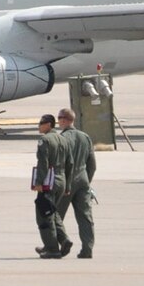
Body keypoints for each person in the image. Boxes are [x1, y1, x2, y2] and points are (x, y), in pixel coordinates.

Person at [46, 107, 97, 259]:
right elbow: (92, 165)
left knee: (55, 215)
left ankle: (55, 247)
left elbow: (56, 162)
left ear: (64, 120)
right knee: (85, 217)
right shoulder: (85, 137)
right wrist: (86, 181)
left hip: (66, 181)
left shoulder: (61, 139)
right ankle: (87, 250)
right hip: (83, 180)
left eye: (59, 118)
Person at [31, 113, 65, 257]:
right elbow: (69, 162)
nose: (39, 126)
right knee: (53, 212)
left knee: (44, 216)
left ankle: (52, 249)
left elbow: (43, 163)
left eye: (41, 123)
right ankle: (64, 240)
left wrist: (39, 182)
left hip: (48, 182)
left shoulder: (44, 140)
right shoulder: (62, 139)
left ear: (49, 125)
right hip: (61, 180)